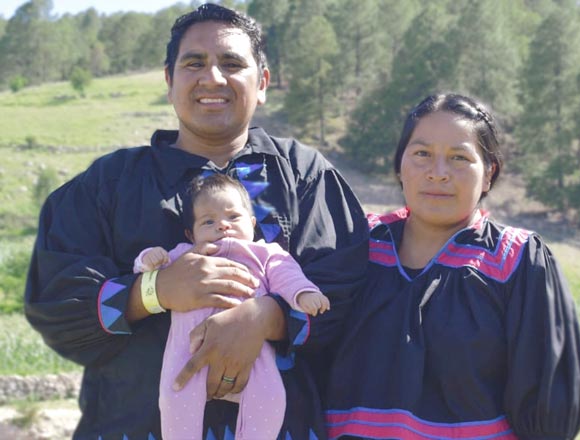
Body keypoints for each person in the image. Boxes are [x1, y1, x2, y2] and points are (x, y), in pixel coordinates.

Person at [24, 3, 367, 439]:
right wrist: (154, 291)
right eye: (194, 63)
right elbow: (56, 301)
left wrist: (266, 317)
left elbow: (350, 293)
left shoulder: (306, 176)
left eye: (232, 63)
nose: (213, 78)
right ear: (169, 81)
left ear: (262, 83)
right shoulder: (108, 184)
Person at [325, 93, 580, 439]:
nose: (438, 174)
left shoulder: (516, 261)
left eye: (459, 158)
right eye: (422, 154)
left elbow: (549, 404)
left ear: (489, 174)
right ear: (399, 165)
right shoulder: (355, 246)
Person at [134, 173, 330, 439]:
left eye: (234, 217)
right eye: (209, 221)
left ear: (252, 223)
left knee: (272, 398)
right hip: (187, 353)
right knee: (174, 397)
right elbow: (148, 270)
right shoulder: (185, 254)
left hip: (253, 355)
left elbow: (288, 275)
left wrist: (303, 293)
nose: (223, 226)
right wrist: (149, 258)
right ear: (191, 234)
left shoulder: (265, 254)